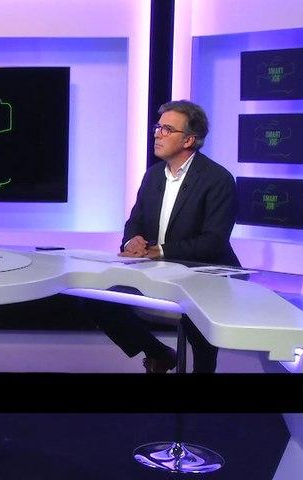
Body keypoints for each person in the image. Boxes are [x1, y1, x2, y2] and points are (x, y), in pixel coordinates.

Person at [96, 100, 240, 373]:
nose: (157, 134)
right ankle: (159, 352)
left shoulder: (218, 179)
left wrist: (160, 250)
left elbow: (213, 241)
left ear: (189, 140)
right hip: (156, 272)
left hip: (203, 274)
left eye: (167, 129)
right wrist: (132, 240)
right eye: (158, 127)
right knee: (96, 298)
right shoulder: (153, 176)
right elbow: (135, 220)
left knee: (197, 317)